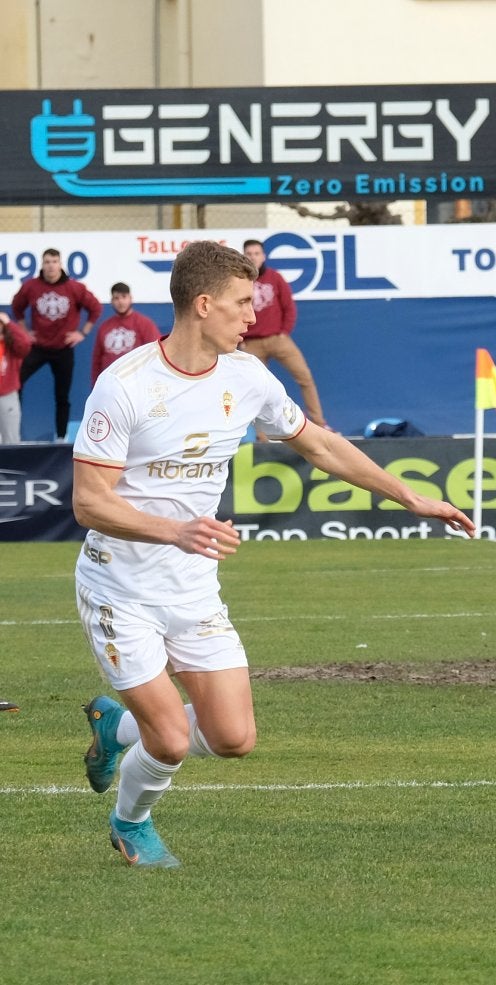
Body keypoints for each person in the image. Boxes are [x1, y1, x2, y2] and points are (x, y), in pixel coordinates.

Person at [73, 241, 474, 868]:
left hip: (193, 588)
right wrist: (173, 530)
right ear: (202, 306)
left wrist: (409, 496)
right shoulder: (122, 386)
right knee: (173, 742)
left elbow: (320, 445)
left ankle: (113, 729)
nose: (252, 317)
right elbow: (90, 503)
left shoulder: (248, 376)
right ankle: (132, 822)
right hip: (119, 589)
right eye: (241, 303)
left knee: (233, 738)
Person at [11, 248, 102, 440]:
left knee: (62, 396)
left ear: (60, 264)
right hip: (37, 348)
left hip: (63, 350)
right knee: (14, 384)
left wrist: (82, 333)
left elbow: (95, 308)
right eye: (47, 262)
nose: (51, 266)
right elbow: (17, 307)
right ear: (42, 265)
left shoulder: (74, 288)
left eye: (54, 261)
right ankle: (11, 434)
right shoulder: (31, 286)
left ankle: (61, 438)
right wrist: (24, 331)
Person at [241, 239, 331, 430]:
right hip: (251, 344)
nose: (253, 257)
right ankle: (262, 437)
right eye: (249, 254)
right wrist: (240, 339)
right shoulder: (239, 281)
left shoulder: (275, 278)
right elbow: (233, 312)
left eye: (257, 253)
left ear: (263, 256)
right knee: (256, 390)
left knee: (304, 377)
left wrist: (284, 332)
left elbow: (288, 306)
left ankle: (319, 424)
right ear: (243, 256)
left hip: (278, 339)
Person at [91, 282, 162, 384]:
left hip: (136, 384)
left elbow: (156, 354)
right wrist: (96, 385)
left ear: (130, 298)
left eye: (124, 297)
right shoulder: (104, 327)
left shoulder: (145, 324)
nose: (120, 301)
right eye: (116, 298)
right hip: (110, 384)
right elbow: (96, 361)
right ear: (111, 301)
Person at [1, 309, 34, 444]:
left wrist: (9, 323)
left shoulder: (12, 346)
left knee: (11, 441)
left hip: (6, 396)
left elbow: (25, 344)